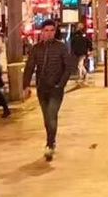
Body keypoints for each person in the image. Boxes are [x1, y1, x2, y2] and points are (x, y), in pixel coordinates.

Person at [24, 19, 76, 160]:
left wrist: (61, 84)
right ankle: (50, 139)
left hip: (56, 89)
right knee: (47, 118)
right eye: (46, 31)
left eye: (51, 30)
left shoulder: (61, 47)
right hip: (42, 88)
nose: (49, 33)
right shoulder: (36, 49)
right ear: (42, 32)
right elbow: (30, 67)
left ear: (55, 31)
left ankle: (50, 143)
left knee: (52, 115)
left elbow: (68, 67)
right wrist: (26, 85)